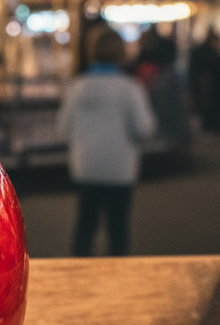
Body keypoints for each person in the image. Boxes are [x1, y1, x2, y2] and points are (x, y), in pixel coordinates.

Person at [57, 28, 156, 256]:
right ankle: (118, 277)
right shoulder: (130, 89)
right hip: (120, 169)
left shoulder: (77, 87)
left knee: (85, 225)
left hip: (86, 167)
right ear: (121, 53)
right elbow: (144, 128)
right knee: (118, 228)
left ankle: (78, 274)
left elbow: (63, 128)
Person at [189, 29, 220, 131]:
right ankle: (209, 127)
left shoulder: (209, 51)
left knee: (209, 107)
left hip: (212, 86)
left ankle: (210, 126)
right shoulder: (208, 52)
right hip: (209, 85)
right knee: (208, 107)